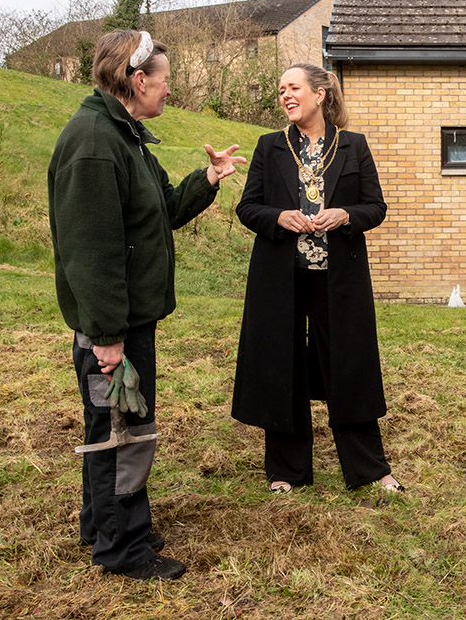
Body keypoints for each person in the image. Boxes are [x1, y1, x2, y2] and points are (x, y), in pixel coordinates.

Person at [48, 29, 245, 580]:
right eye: (164, 82)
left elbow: (164, 209)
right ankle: (122, 547)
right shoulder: (93, 143)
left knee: (117, 424)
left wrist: (209, 178)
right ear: (137, 81)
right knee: (123, 430)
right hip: (113, 327)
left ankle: (104, 523)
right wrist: (107, 336)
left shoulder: (126, 136)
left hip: (129, 320)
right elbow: (92, 253)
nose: (168, 92)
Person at [231, 62, 402, 494]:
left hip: (338, 281)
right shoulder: (269, 146)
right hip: (281, 281)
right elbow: (248, 207)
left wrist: (346, 214)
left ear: (320, 94)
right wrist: (278, 217)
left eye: (294, 88)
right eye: (281, 89)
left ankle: (368, 470)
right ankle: (287, 472)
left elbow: (375, 207)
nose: (286, 95)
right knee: (283, 366)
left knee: (349, 368)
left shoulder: (353, 146)